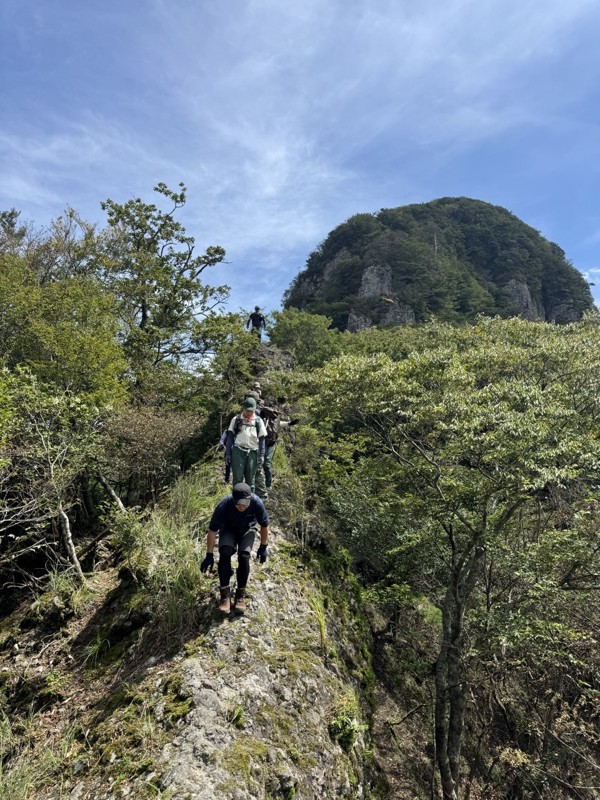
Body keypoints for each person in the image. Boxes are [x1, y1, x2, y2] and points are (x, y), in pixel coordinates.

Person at [200, 482, 270, 614]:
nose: (241, 506)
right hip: (228, 529)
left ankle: (240, 595)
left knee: (244, 556)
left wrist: (263, 546)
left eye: (244, 503)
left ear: (249, 499)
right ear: (233, 499)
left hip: (248, 529)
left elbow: (264, 525)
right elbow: (212, 530)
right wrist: (209, 555)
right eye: (238, 503)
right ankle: (225, 595)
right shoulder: (224, 504)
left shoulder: (256, 503)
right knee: (225, 553)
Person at [254, 398, 299, 502]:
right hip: (271, 442)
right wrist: (291, 423)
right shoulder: (273, 418)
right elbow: (281, 424)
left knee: (262, 464)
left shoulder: (261, 416)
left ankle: (261, 486)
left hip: (264, 442)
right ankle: (267, 485)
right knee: (266, 464)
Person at [225, 396, 267, 491]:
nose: (249, 413)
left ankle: (249, 503)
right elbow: (230, 437)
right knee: (237, 480)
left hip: (252, 452)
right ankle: (236, 502)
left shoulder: (258, 421)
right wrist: (228, 453)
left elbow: (262, 439)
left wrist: (262, 455)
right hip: (238, 451)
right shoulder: (236, 419)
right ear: (243, 409)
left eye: (251, 411)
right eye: (247, 410)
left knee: (250, 481)